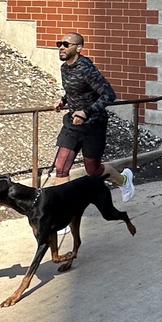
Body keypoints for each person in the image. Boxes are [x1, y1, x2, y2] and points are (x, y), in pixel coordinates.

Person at [48, 32, 134, 202]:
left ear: (78, 48)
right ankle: (64, 213)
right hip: (73, 124)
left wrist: (86, 112)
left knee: (93, 170)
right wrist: (63, 100)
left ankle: (124, 180)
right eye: (60, 44)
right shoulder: (65, 68)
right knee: (61, 167)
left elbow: (109, 94)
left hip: (93, 125)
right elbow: (75, 89)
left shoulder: (87, 69)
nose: (61, 48)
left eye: (66, 44)